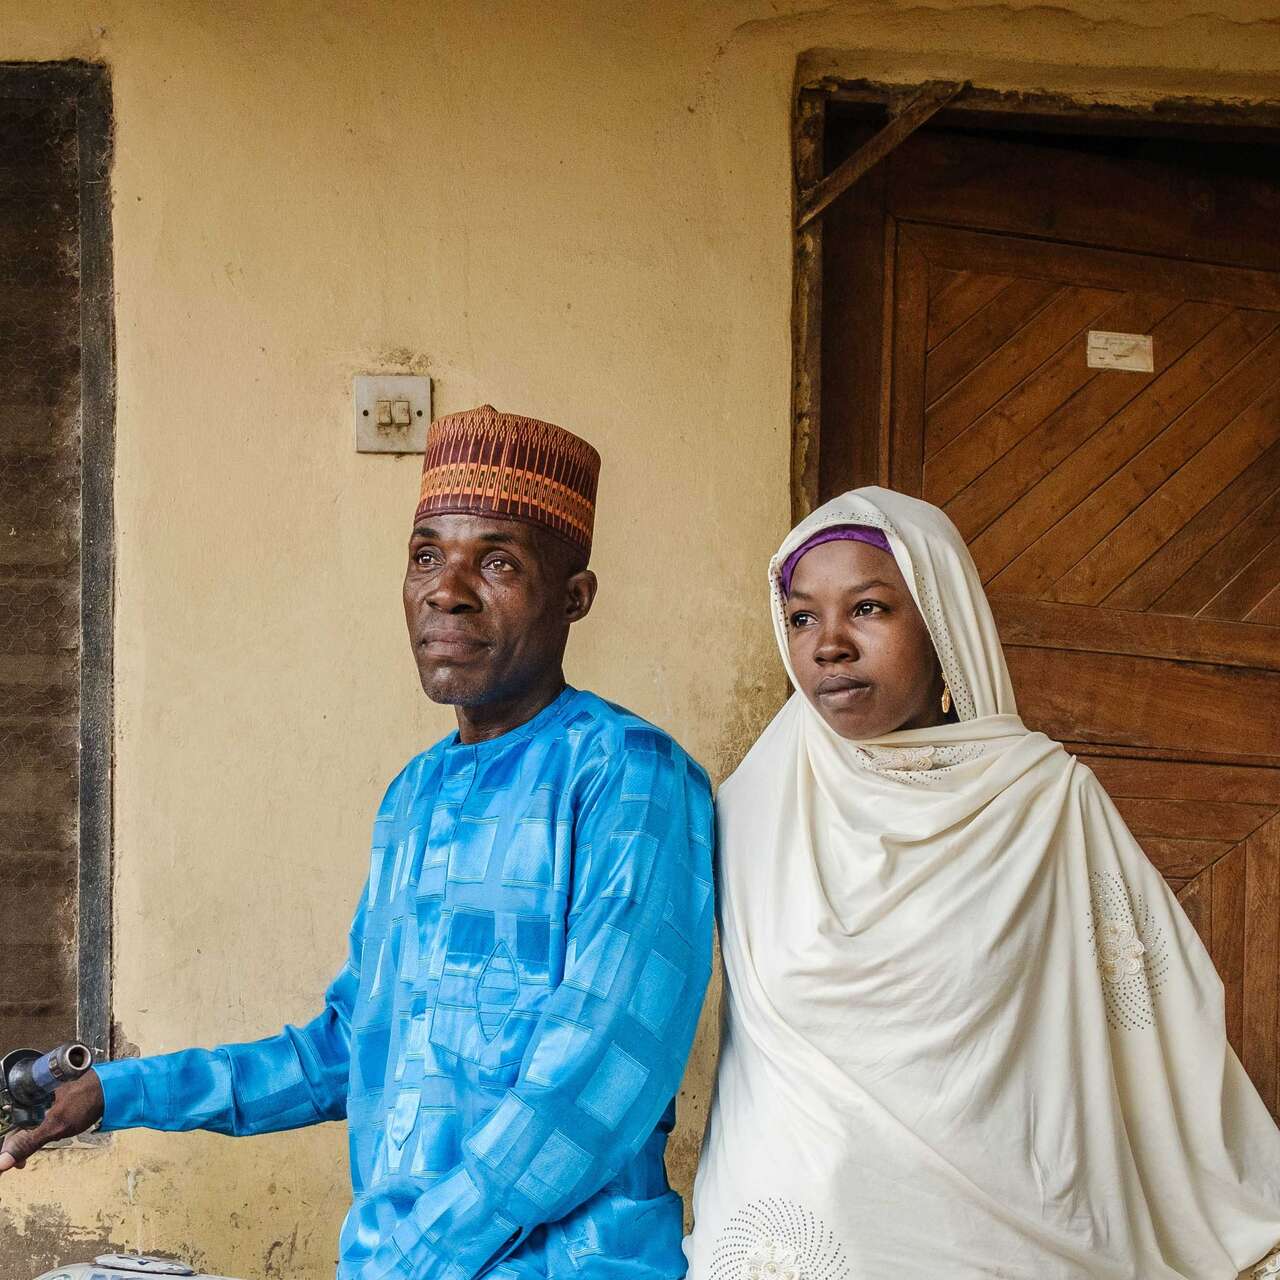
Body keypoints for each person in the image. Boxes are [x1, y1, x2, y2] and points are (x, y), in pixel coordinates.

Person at [3, 405, 716, 1280]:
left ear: (574, 597)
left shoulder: (630, 774)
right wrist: (116, 1092)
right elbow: (350, 1051)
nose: (447, 590)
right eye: (426, 556)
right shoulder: (415, 795)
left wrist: (412, 1256)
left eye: (497, 562)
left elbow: (596, 1084)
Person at [685, 486, 1280, 1280]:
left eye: (868, 609)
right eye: (801, 618)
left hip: (1012, 1231)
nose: (829, 645)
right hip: (802, 1229)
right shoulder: (753, 806)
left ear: (942, 622)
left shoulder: (1043, 803)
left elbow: (1156, 1027)